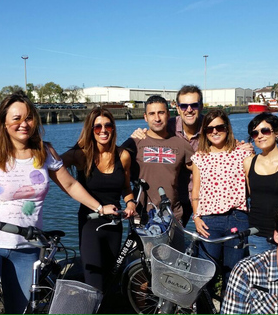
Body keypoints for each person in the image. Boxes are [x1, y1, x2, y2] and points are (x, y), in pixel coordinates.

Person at [0, 91, 117, 314]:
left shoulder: (45, 152)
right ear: (4, 122)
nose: (24, 124)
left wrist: (99, 207)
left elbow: (70, 185)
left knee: (21, 311)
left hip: (27, 249)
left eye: (29, 118)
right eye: (16, 118)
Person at [61, 107, 136, 292]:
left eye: (108, 126)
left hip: (114, 224)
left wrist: (130, 202)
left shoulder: (123, 156)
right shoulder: (80, 155)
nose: (103, 130)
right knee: (94, 283)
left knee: (111, 280)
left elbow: (126, 187)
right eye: (97, 127)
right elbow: (53, 167)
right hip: (90, 224)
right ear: (90, 130)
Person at [122, 95, 194, 250]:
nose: (157, 118)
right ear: (145, 117)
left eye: (161, 113)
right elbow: (112, 166)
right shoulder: (134, 143)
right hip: (142, 217)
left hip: (173, 216)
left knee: (172, 265)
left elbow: (202, 167)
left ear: (168, 115)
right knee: (140, 266)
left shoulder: (181, 144)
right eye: (152, 114)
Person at [191, 109, 252, 291]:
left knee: (233, 277)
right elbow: (196, 190)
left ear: (227, 128)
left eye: (220, 127)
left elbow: (254, 185)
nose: (215, 132)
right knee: (205, 275)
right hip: (209, 221)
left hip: (238, 218)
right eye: (209, 129)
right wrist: (196, 217)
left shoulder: (243, 154)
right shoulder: (199, 158)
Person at [131, 85, 203, 225]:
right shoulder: (160, 128)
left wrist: (241, 147)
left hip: (195, 197)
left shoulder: (212, 128)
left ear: (201, 106)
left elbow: (199, 165)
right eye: (184, 106)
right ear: (177, 108)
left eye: (194, 105)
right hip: (155, 204)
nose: (189, 109)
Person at [244, 112, 278, 255]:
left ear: (276, 133)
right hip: (256, 235)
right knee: (259, 277)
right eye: (255, 133)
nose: (260, 136)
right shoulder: (248, 162)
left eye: (265, 131)